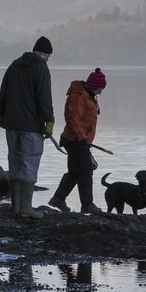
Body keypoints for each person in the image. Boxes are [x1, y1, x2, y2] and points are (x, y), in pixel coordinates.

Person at [0, 36, 54, 217]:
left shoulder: (14, 65)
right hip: (31, 126)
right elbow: (44, 98)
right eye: (49, 56)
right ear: (45, 53)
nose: (48, 59)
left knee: (14, 161)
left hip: (11, 124)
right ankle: (26, 208)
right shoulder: (41, 68)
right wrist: (49, 122)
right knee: (29, 163)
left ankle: (15, 207)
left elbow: (3, 94)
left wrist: (3, 117)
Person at [48, 67, 106, 214]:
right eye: (100, 88)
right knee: (86, 171)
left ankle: (58, 199)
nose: (101, 91)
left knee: (75, 172)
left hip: (78, 140)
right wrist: (81, 137)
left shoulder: (88, 95)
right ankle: (87, 205)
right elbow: (72, 118)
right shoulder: (79, 96)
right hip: (75, 140)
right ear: (93, 86)